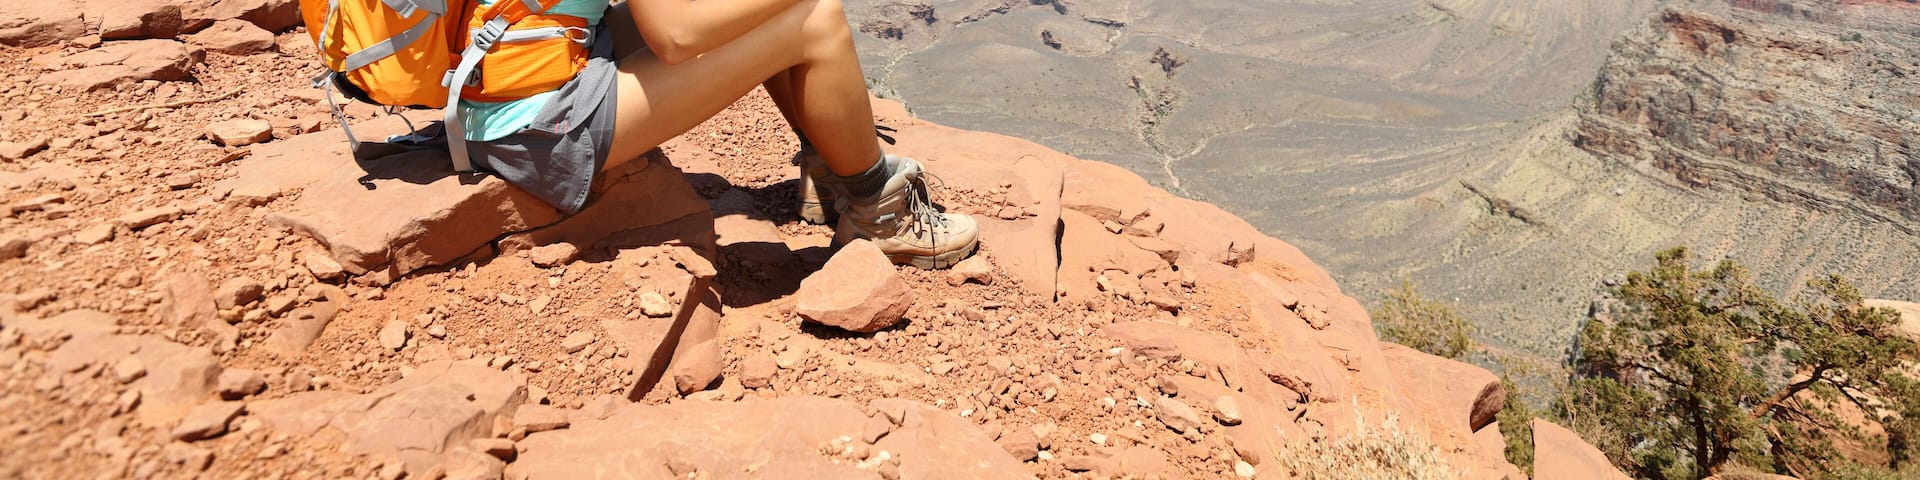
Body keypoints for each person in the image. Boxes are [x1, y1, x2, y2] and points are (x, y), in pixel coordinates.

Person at [456, 0, 979, 270]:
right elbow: (677, 39)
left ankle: (832, 169)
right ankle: (879, 214)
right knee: (814, 17)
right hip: (543, 126)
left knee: (744, 10)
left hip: (497, 85)